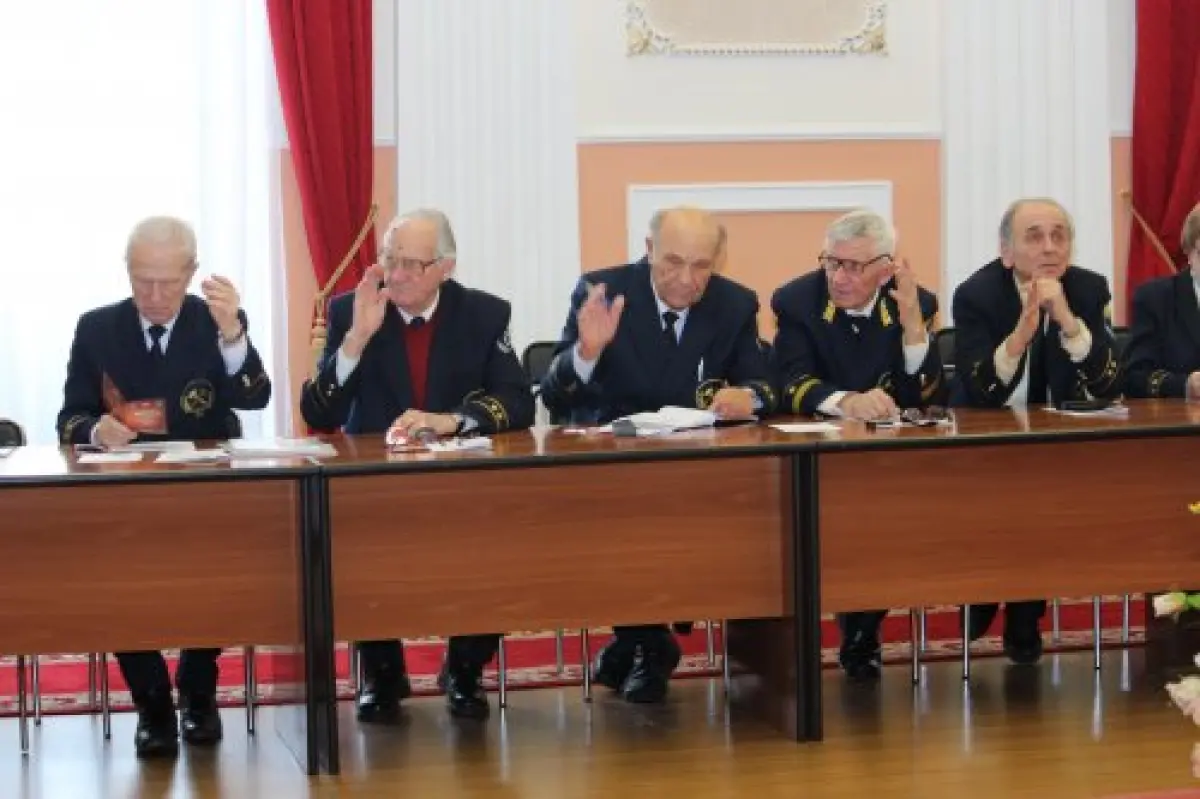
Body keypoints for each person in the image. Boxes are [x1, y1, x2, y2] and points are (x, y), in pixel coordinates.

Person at [300, 208, 534, 721]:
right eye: (390, 259)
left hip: (461, 484)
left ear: (445, 268)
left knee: (498, 540)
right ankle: (382, 676)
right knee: (357, 548)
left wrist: (453, 420)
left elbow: (518, 402)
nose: (397, 274)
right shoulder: (351, 310)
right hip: (374, 486)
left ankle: (465, 670)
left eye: (413, 264)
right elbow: (319, 415)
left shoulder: (483, 314)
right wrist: (356, 340)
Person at [540, 206, 776, 703]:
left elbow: (763, 382)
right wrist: (586, 354)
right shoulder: (603, 292)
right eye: (673, 262)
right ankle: (650, 643)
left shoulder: (734, 304)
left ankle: (634, 643)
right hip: (611, 471)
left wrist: (748, 397)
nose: (686, 279)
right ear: (648, 250)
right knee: (614, 526)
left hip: (697, 472)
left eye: (701, 265)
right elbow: (556, 396)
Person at [56, 216, 272, 757]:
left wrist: (233, 336)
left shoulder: (215, 322)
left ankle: (198, 690)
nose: (154, 296)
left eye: (168, 283)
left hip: (205, 494)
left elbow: (256, 397)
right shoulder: (96, 328)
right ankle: (151, 700)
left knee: (218, 572)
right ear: (127, 271)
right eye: (142, 281)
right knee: (117, 581)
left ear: (191, 273)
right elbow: (69, 418)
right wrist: (94, 430)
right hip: (125, 498)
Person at [770, 209, 942, 681]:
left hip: (884, 464)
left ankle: (863, 631)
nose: (838, 277)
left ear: (886, 269)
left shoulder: (916, 301)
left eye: (852, 266)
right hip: (814, 458)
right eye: (831, 262)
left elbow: (924, 398)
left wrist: (914, 328)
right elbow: (791, 383)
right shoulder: (796, 301)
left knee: (885, 518)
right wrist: (847, 401)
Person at [951, 197, 1122, 664]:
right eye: (1035, 236)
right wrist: (1022, 333)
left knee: (1046, 495)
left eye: (1059, 236)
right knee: (1008, 499)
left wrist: (1067, 321)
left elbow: (1108, 383)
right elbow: (981, 390)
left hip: (1052, 443)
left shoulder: (1087, 289)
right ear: (1007, 251)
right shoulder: (977, 295)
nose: (1050, 247)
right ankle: (988, 596)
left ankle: (1024, 616)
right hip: (987, 440)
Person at [1125, 202, 1200, 398]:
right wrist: (1185, 385)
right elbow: (1135, 378)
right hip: (1181, 414)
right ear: (1189, 253)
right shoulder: (1155, 299)